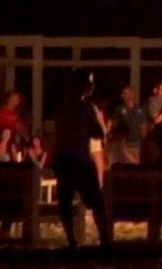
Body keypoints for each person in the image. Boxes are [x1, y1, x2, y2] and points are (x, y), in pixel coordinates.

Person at [52, 70, 112, 250]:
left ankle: (72, 240)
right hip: (79, 159)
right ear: (82, 86)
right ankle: (105, 241)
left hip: (62, 158)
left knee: (65, 200)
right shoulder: (87, 108)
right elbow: (98, 133)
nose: (93, 86)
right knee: (97, 202)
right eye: (90, 83)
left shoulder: (62, 107)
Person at [112, 86, 148, 164]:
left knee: (135, 162)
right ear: (122, 96)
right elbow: (113, 124)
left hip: (136, 142)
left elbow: (143, 126)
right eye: (125, 93)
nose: (128, 95)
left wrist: (144, 139)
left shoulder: (140, 109)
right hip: (123, 142)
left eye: (130, 92)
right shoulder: (119, 109)